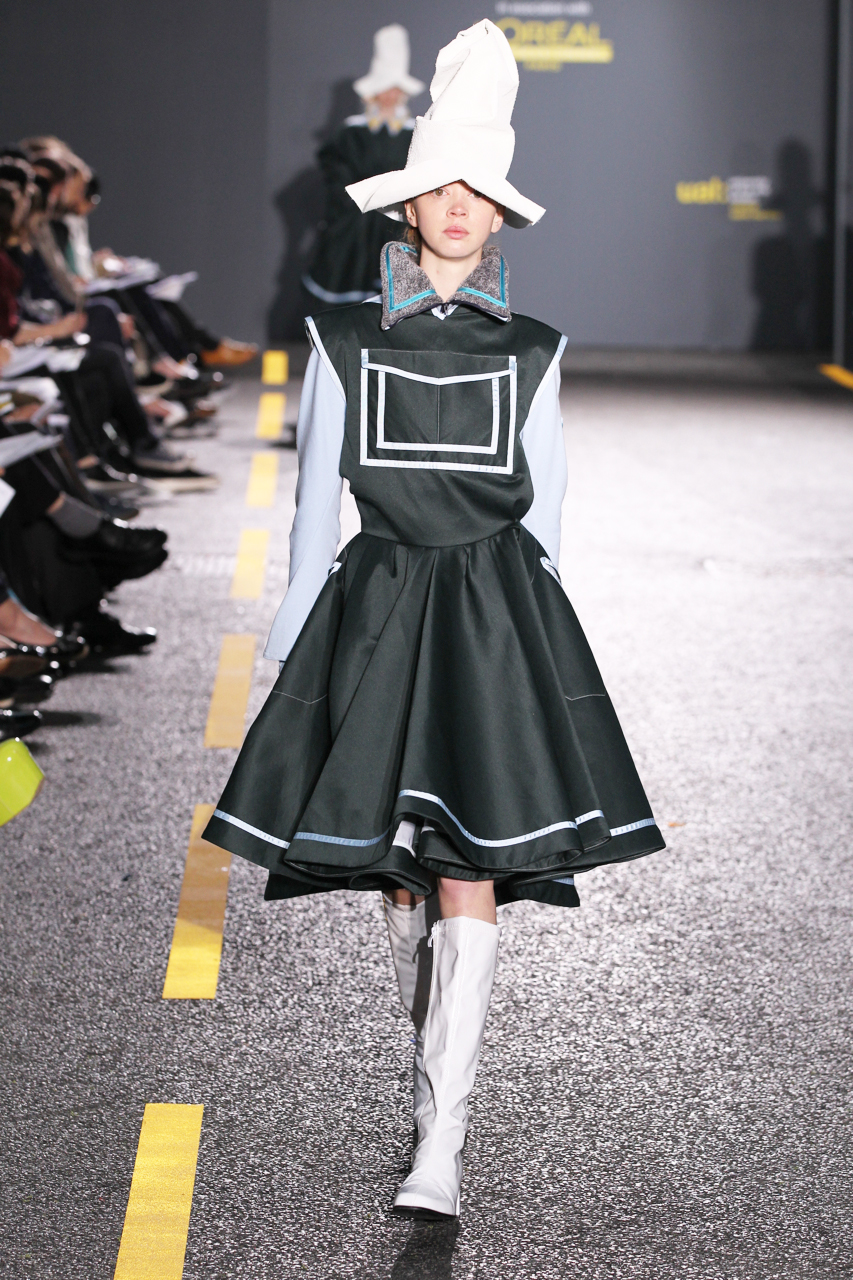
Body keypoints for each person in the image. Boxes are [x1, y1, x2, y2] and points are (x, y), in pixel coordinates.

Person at [205, 20, 664, 1218]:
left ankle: (439, 1142)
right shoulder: (342, 341)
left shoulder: (533, 351)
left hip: (491, 626)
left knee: (467, 873)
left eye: (477, 192)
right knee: (404, 878)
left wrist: (534, 663)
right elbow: (315, 512)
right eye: (438, 187)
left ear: (499, 214)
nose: (457, 207)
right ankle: (427, 1088)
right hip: (375, 615)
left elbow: (545, 523)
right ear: (406, 203)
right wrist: (294, 660)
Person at [302, 24, 424, 306]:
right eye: (384, 88)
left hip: (397, 224)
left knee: (396, 298)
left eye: (395, 88)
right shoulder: (352, 131)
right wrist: (349, 205)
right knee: (348, 294)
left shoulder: (414, 132)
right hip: (355, 227)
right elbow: (335, 171)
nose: (389, 95)